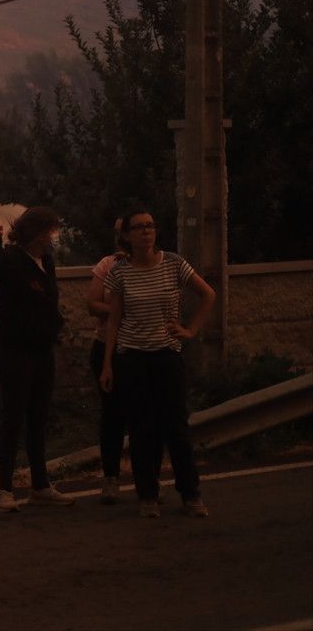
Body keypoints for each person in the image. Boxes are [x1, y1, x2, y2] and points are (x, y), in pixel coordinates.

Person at [100, 208, 215, 519]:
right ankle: (147, 495)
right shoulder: (120, 272)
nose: (146, 232)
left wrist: (190, 330)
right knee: (141, 429)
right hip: (132, 357)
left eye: (150, 226)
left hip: (166, 355)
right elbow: (114, 319)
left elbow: (208, 294)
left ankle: (190, 494)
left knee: (176, 427)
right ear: (126, 235)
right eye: (138, 228)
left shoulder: (174, 263)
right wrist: (107, 364)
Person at [0, 207, 75, 512]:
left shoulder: (46, 262)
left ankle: (41, 485)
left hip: (41, 347)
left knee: (39, 415)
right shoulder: (11, 259)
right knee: (14, 414)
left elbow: (49, 302)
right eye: (51, 229)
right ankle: (5, 489)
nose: (54, 236)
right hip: (13, 347)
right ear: (37, 231)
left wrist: (57, 331)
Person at [86, 219, 130, 504]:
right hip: (106, 348)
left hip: (141, 348)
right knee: (112, 415)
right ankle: (111, 477)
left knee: (144, 415)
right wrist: (120, 312)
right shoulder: (107, 265)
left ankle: (147, 478)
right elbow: (92, 304)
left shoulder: (158, 264)